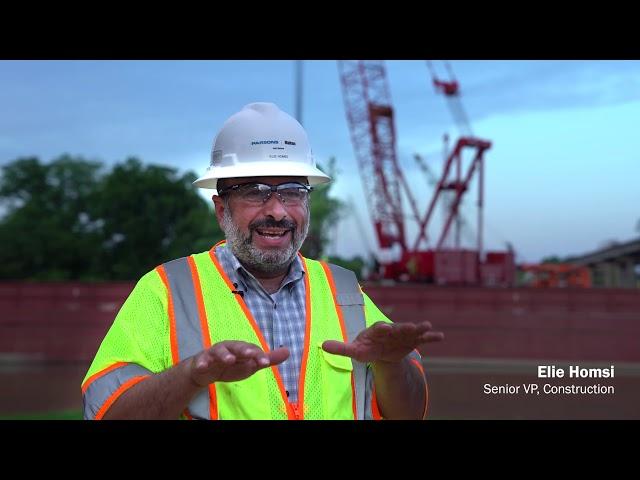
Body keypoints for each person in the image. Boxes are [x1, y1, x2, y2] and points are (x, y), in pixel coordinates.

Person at [81, 102, 444, 420]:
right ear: (221, 208)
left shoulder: (345, 291)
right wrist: (191, 374)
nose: (277, 211)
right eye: (255, 192)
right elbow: (105, 411)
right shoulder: (167, 291)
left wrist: (391, 362)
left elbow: (408, 413)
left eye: (292, 193)